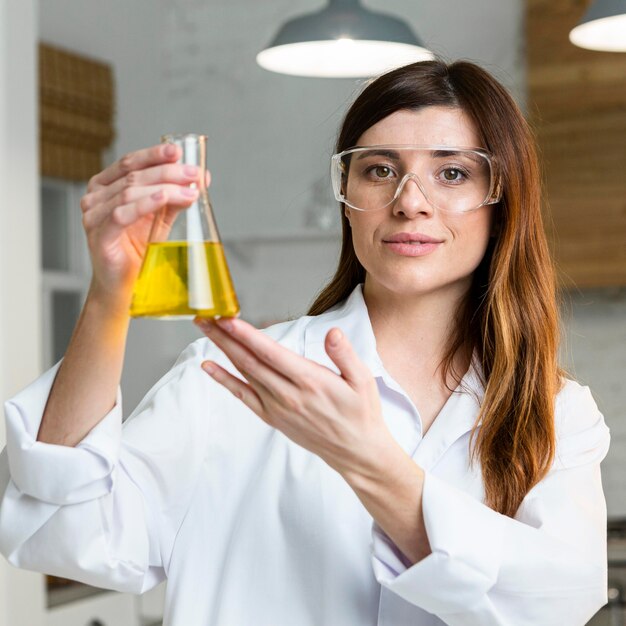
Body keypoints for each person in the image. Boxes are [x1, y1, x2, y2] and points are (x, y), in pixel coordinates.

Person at [0, 60, 610, 625]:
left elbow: (556, 607)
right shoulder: (234, 376)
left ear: (502, 201)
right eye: (380, 170)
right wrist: (110, 295)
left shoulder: (558, 414)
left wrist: (370, 464)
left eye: (452, 172)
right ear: (348, 198)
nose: (410, 203)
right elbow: (65, 528)